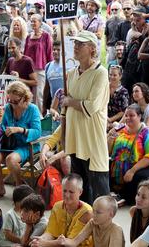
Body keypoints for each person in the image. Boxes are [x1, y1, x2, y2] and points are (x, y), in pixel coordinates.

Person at [60, 31, 110, 203]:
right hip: (75, 138)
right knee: (80, 190)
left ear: (91, 48)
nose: (76, 47)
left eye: (80, 44)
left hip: (92, 138)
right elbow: (64, 108)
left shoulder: (100, 73)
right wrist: (63, 136)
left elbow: (91, 106)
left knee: (99, 190)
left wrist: (69, 101)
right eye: (75, 43)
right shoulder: (72, 73)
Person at [0, 81, 42, 199]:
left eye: (16, 101)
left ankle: (19, 187)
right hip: (9, 145)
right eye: (10, 100)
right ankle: (0, 187)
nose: (12, 104)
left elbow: (37, 132)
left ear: (25, 98)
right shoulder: (7, 108)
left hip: (27, 145)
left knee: (11, 160)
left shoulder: (32, 109)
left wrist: (20, 130)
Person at [108, 104, 149, 204]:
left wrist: (132, 171)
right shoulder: (119, 130)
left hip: (142, 167)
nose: (128, 118)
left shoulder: (148, 133)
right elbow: (108, 153)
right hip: (119, 168)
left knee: (141, 177)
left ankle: (126, 197)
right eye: (126, 115)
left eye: (132, 115)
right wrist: (110, 139)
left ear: (139, 116)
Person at [29, 174, 92, 247]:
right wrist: (40, 239)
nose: (67, 195)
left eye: (71, 192)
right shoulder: (57, 206)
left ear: (80, 192)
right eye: (64, 191)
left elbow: (70, 243)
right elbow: (51, 233)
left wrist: (45, 243)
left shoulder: (87, 212)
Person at [59, 196, 125, 247]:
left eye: (98, 212)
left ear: (111, 214)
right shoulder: (92, 223)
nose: (94, 215)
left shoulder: (116, 230)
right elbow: (75, 242)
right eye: (93, 211)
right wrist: (63, 241)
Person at [24, 14, 53, 112]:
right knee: (28, 94)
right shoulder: (28, 37)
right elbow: (25, 54)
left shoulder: (46, 36)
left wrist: (50, 68)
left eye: (34, 21)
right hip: (29, 70)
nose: (32, 23)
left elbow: (49, 53)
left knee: (39, 95)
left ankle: (39, 116)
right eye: (31, 21)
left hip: (40, 69)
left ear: (40, 23)